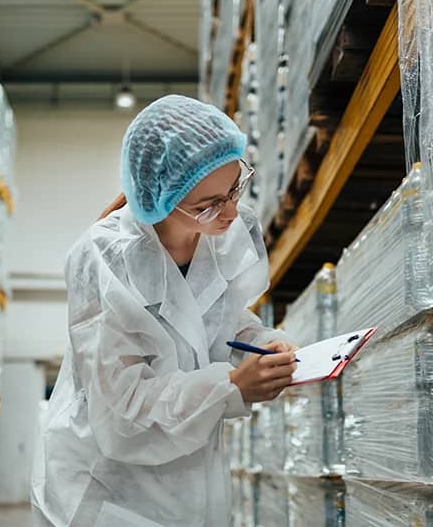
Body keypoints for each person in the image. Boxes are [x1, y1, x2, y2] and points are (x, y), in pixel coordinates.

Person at [31, 95, 297, 527]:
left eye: (234, 188)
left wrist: (263, 345)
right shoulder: (105, 260)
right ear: (163, 198)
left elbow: (221, 320)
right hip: (110, 489)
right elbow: (123, 414)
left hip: (192, 476)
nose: (230, 211)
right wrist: (231, 387)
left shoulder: (221, 232)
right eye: (208, 204)